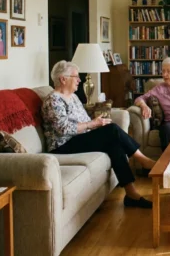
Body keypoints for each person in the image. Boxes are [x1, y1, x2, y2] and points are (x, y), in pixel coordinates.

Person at [42, 61, 157, 209]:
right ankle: (143, 160)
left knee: (113, 143)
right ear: (63, 79)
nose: (79, 80)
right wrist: (93, 124)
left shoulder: (73, 97)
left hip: (78, 138)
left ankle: (131, 194)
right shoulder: (53, 100)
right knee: (112, 129)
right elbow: (63, 129)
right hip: (63, 145)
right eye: (75, 76)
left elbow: (83, 121)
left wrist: (94, 125)